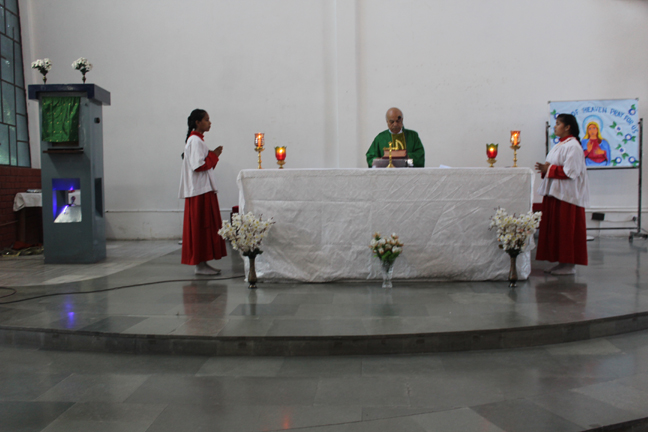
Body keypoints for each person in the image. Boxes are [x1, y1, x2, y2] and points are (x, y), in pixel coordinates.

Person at [534, 113, 589, 275]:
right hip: (556, 193)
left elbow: (571, 171)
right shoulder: (560, 145)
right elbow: (553, 166)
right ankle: (561, 262)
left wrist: (548, 169)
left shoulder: (573, 146)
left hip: (568, 196)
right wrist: (546, 168)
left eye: (558, 124)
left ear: (567, 127)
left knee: (566, 230)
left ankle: (569, 265)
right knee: (557, 230)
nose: (555, 127)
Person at [179, 109, 227, 275]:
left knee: (205, 226)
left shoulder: (198, 140)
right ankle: (200, 264)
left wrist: (213, 156)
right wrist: (214, 155)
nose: (209, 122)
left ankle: (203, 263)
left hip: (203, 189)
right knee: (202, 226)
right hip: (199, 191)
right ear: (197, 122)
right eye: (206, 119)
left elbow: (205, 165)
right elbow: (198, 166)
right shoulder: (194, 141)